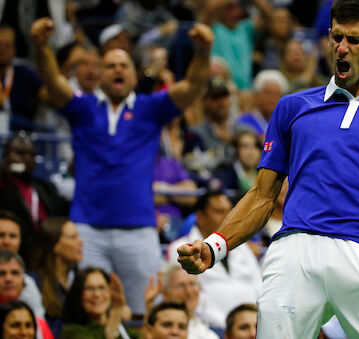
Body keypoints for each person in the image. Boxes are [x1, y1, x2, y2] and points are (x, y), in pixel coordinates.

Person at [177, 0, 359, 337]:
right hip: (295, 253)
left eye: (354, 40)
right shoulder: (291, 107)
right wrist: (214, 246)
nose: (341, 48)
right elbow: (261, 196)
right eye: (336, 37)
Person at [30, 17, 214, 317]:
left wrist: (204, 51)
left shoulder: (150, 109)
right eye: (111, 65)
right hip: (86, 229)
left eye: (123, 65)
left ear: (133, 74)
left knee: (145, 310)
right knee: (85, 312)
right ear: (100, 74)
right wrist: (41, 47)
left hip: (138, 228)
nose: (117, 69)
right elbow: (53, 82)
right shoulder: (83, 107)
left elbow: (193, 86)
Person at [167, 190, 261, 331]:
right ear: (200, 216)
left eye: (230, 212)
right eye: (219, 211)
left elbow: (259, 288)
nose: (227, 217)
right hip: (209, 328)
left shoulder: (243, 248)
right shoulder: (182, 248)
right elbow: (186, 296)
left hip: (251, 328)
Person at [0, 134, 69, 266]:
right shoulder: (4, 185)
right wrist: (6, 171)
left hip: (43, 254)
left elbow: (64, 209)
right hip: (13, 253)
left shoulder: (45, 188)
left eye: (31, 155)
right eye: (20, 153)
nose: (27, 158)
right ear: (6, 157)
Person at [29, 217, 83, 338]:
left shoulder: (78, 280)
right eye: (73, 237)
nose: (81, 242)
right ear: (55, 246)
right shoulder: (33, 283)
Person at [145, 263, 219, 339]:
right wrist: (149, 305)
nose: (189, 291)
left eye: (192, 284)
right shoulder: (158, 327)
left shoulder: (209, 335)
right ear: (165, 292)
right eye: (181, 285)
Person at [61, 267, 137, 339]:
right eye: (89, 288)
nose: (97, 294)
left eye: (102, 288)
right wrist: (115, 316)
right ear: (78, 294)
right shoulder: (72, 333)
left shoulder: (124, 330)